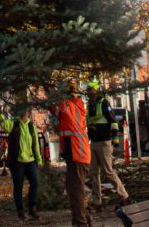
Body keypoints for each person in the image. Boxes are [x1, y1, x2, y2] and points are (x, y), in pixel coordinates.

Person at [85, 81, 129, 210]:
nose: (88, 92)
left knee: (108, 171)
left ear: (96, 90)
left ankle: (124, 196)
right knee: (93, 172)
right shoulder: (89, 105)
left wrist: (115, 137)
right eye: (87, 90)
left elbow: (113, 121)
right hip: (93, 142)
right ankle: (96, 201)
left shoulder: (103, 103)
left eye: (90, 90)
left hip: (104, 142)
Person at [52, 89, 92, 227]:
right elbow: (56, 111)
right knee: (74, 189)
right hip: (77, 155)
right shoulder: (75, 108)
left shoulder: (70, 107)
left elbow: (60, 106)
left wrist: (48, 87)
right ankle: (84, 220)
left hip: (77, 155)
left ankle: (81, 223)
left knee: (75, 191)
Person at [0, 107, 41, 221]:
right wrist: (0, 113)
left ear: (28, 113)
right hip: (17, 161)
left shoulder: (31, 126)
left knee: (35, 182)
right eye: (23, 112)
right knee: (18, 186)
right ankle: (20, 211)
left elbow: (36, 145)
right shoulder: (14, 124)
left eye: (26, 112)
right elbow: (3, 124)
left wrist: (39, 159)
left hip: (30, 160)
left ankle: (32, 208)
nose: (25, 113)